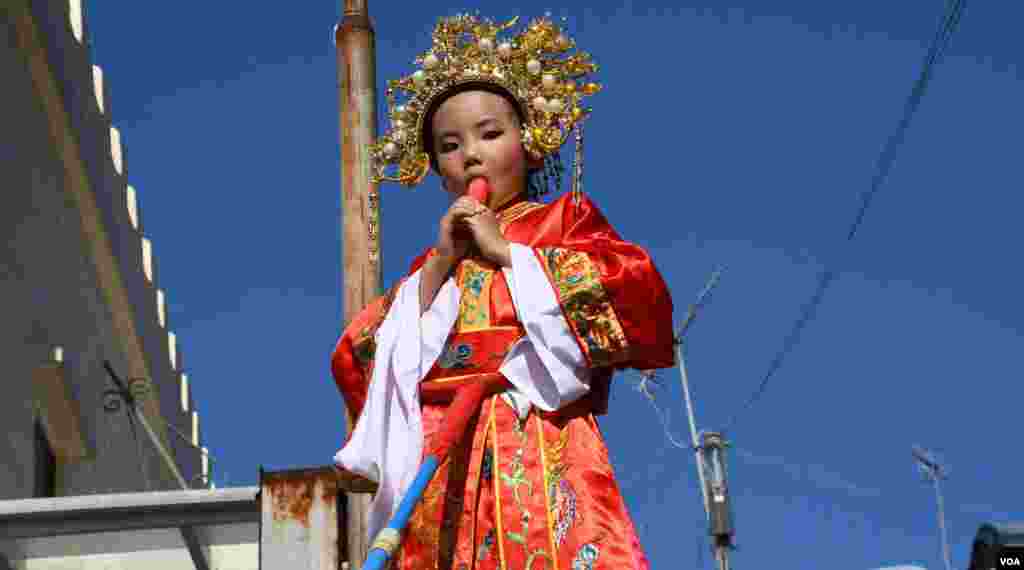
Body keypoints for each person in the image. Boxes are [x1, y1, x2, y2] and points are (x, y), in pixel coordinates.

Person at [332, 14, 675, 570]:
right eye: (450, 145)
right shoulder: (432, 266)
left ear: (531, 142)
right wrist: (442, 263)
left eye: (490, 134)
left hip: (536, 432)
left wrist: (510, 254)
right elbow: (357, 355)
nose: (471, 154)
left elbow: (635, 294)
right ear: (436, 169)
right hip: (443, 452)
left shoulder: (562, 224)